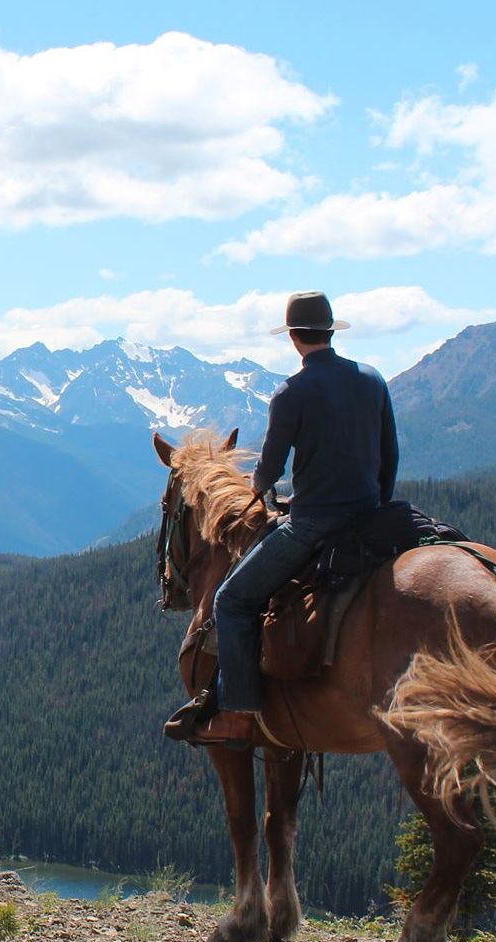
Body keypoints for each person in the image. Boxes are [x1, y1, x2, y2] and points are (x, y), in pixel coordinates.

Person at [187, 291, 398, 747]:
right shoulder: (373, 380)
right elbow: (389, 456)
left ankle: (240, 714)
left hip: (314, 524)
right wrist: (378, 504)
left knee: (231, 600)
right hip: (374, 516)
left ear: (294, 338)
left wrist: (257, 489)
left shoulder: (292, 392)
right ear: (329, 330)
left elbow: (271, 468)